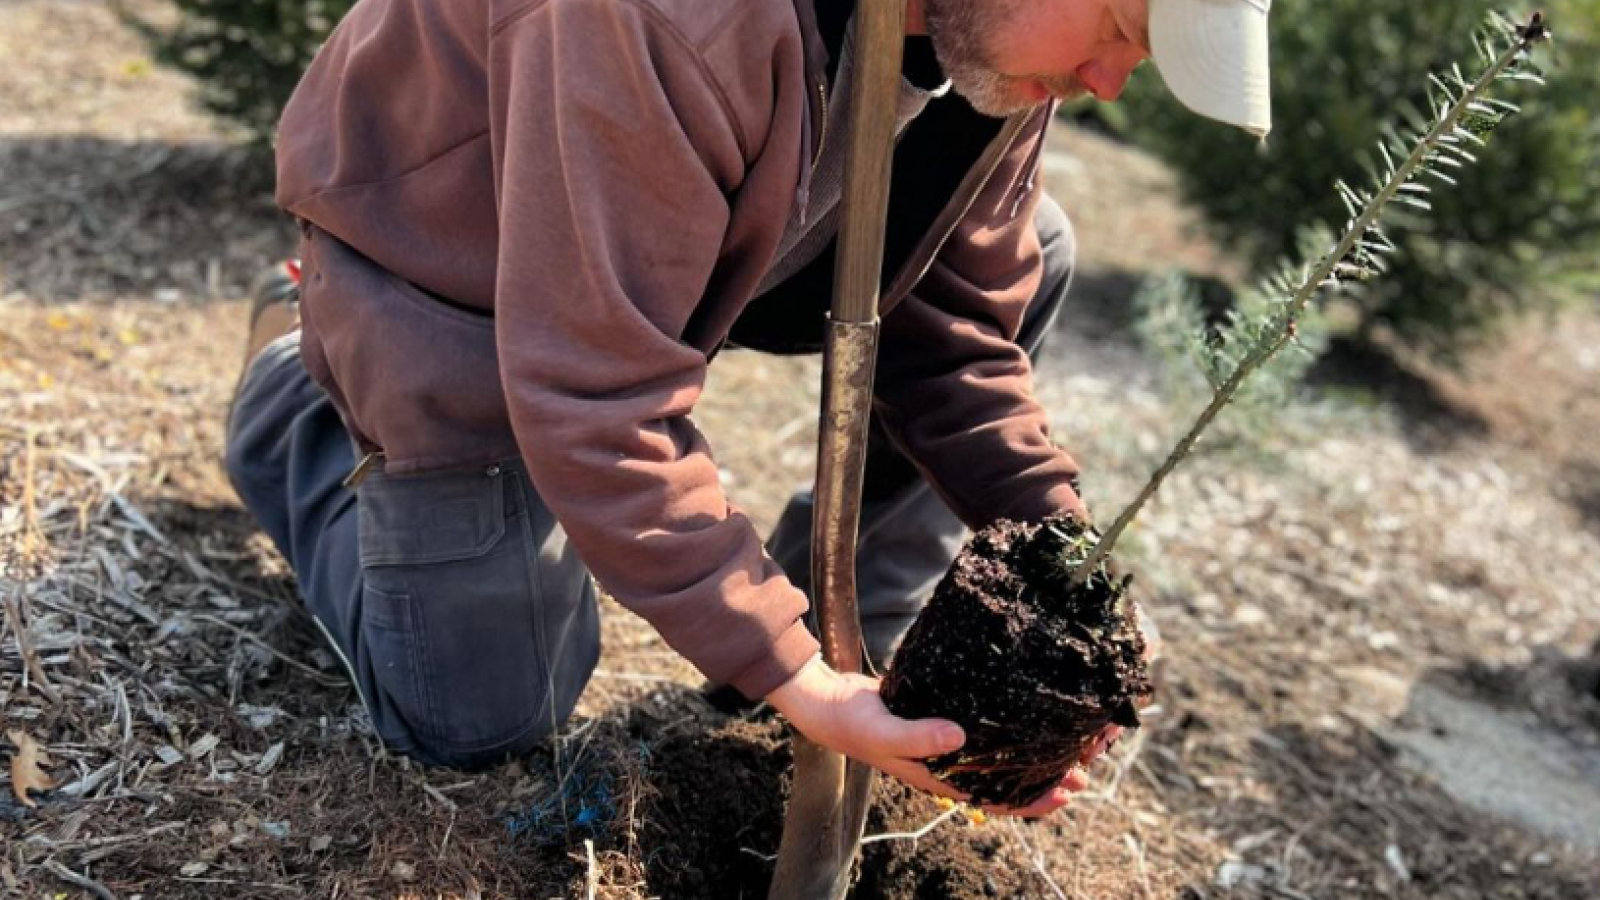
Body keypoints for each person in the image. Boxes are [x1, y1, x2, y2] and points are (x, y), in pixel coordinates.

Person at [227, 0, 1272, 818]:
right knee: (483, 713)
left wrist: (1062, 563)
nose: (1107, 82)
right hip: (456, 271)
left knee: (1033, 250)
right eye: (1122, 30)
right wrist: (791, 678)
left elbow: (955, 335)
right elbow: (598, 391)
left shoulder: (989, 44)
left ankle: (862, 620)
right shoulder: (664, 16)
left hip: (673, 242)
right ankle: (299, 379)